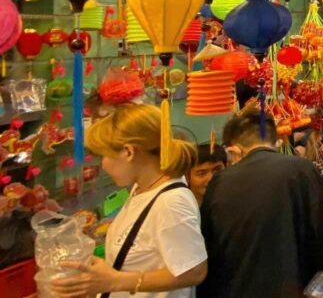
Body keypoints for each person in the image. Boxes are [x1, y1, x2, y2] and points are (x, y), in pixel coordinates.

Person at [51, 104, 207, 298]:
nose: (103, 165)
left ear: (128, 152)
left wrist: (115, 281)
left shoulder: (171, 202)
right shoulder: (142, 186)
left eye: (104, 156)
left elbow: (194, 271)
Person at [199, 109, 323, 297]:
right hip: (295, 285)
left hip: (240, 287)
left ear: (233, 150)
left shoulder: (220, 183)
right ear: (276, 142)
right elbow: (321, 237)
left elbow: (210, 246)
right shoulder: (301, 169)